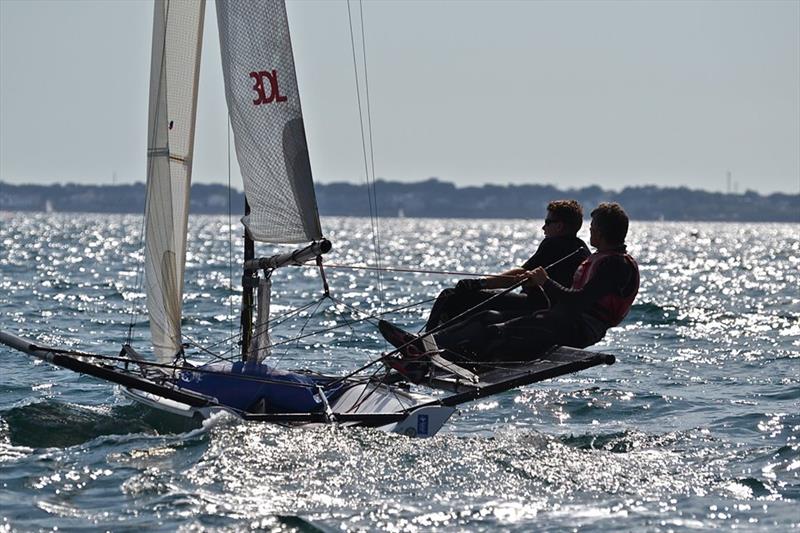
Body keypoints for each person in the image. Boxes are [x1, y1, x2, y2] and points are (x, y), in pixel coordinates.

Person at [380, 202, 639, 375]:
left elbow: (577, 303)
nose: (590, 232)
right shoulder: (598, 256)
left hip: (578, 328)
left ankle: (429, 356)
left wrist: (545, 282)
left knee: (493, 328)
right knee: (488, 319)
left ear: (603, 232)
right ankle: (427, 351)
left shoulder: (614, 265)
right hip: (562, 319)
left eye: (593, 228)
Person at [424, 200, 590, 333]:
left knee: (451, 296)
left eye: (548, 222)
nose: (543, 227)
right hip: (554, 311)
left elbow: (520, 274)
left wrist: (478, 283)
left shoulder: (554, 243)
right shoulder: (581, 248)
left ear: (560, 226)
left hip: (536, 307)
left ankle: (424, 345)